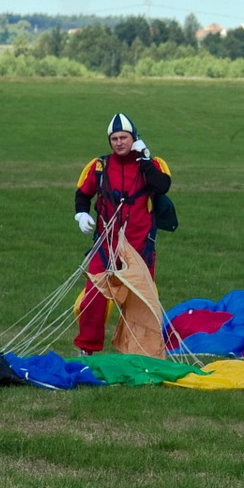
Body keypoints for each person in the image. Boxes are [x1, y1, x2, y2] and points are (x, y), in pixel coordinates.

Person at [72, 112, 172, 355]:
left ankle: (141, 351)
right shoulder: (99, 166)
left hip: (140, 247)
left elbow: (162, 186)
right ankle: (87, 348)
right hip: (105, 245)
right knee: (93, 296)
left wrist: (145, 159)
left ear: (134, 138)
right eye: (114, 138)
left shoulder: (153, 164)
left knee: (142, 301)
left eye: (124, 137)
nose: (119, 142)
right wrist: (82, 214)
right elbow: (82, 194)